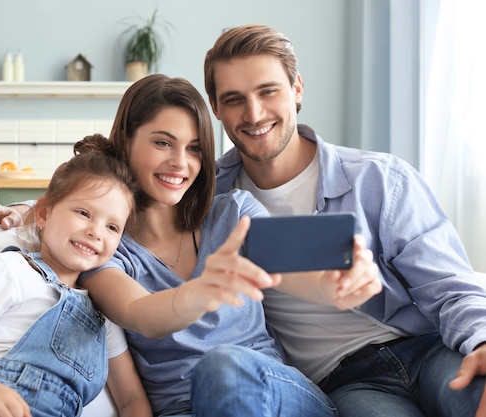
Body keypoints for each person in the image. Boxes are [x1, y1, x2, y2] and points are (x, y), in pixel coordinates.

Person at [0, 74, 382, 416]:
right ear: (126, 142)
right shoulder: (106, 249)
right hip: (179, 408)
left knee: (225, 366)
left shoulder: (233, 215)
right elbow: (142, 315)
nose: (180, 163)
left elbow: (292, 275)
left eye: (194, 148)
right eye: (162, 143)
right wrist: (201, 291)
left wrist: (339, 285)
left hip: (276, 397)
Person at [205, 24, 486, 417]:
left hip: (427, 348)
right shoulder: (208, 202)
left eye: (268, 91)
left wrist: (482, 341)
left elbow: (449, 285)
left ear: (297, 89)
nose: (254, 114)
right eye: (234, 99)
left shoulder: (380, 178)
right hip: (347, 382)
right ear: (215, 108)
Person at [0, 138, 152, 417]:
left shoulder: (103, 315)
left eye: (112, 226)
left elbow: (131, 400)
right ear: (43, 213)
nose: (96, 231)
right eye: (83, 213)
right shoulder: (10, 270)